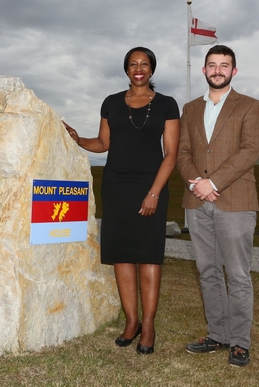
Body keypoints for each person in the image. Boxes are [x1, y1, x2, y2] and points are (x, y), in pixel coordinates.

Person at [64, 47, 180, 355]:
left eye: (144, 64)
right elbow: (103, 143)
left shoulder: (167, 105)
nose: (138, 69)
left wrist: (154, 192)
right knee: (122, 255)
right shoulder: (111, 103)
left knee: (149, 255)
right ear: (126, 70)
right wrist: (78, 140)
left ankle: (150, 325)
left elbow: (171, 154)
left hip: (150, 185)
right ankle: (132, 322)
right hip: (116, 186)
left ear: (151, 70)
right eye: (133, 64)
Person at [177, 45, 259, 367]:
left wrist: (211, 183)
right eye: (212, 65)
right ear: (204, 70)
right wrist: (194, 183)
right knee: (207, 272)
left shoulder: (251, 106)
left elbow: (250, 151)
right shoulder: (189, 109)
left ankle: (240, 342)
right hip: (196, 202)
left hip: (236, 201)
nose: (217, 70)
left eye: (224, 65)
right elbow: (182, 152)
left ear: (233, 71)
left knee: (238, 275)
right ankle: (217, 334)